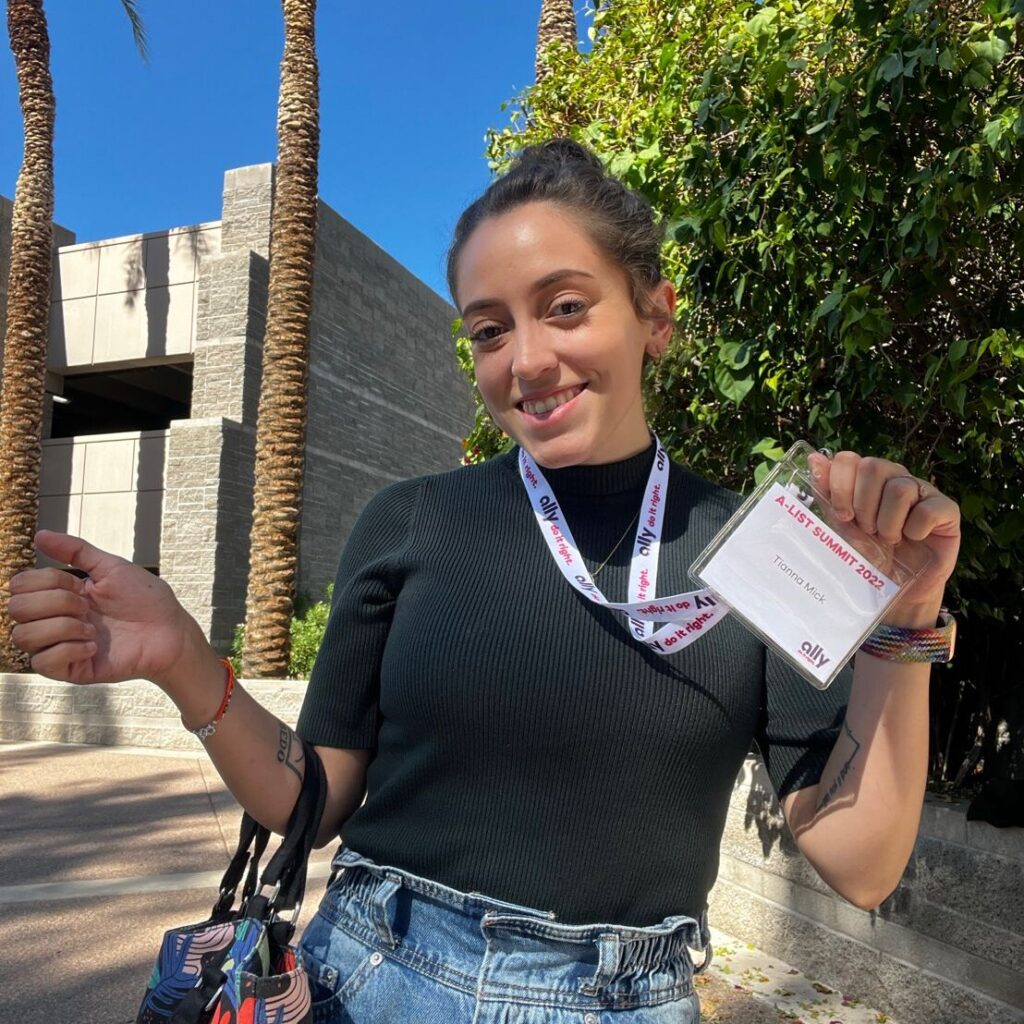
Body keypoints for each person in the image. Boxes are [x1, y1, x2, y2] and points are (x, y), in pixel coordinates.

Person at [7, 139, 961, 1023]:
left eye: (567, 307)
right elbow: (314, 800)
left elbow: (860, 861)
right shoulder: (410, 522)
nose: (528, 360)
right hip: (368, 977)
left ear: (655, 317)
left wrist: (907, 617)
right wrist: (181, 657)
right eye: (490, 330)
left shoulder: (756, 552)